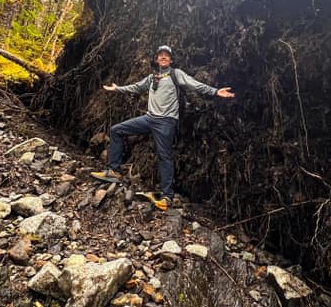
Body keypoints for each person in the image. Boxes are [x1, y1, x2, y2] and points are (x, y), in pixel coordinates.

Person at [91, 45, 235, 210]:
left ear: (171, 60)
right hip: (149, 118)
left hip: (166, 122)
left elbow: (195, 84)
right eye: (161, 55)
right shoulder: (152, 77)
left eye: (167, 55)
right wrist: (117, 88)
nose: (164, 57)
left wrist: (216, 92)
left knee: (164, 156)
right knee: (117, 130)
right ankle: (114, 171)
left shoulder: (176, 74)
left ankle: (167, 197)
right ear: (157, 59)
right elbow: (136, 87)